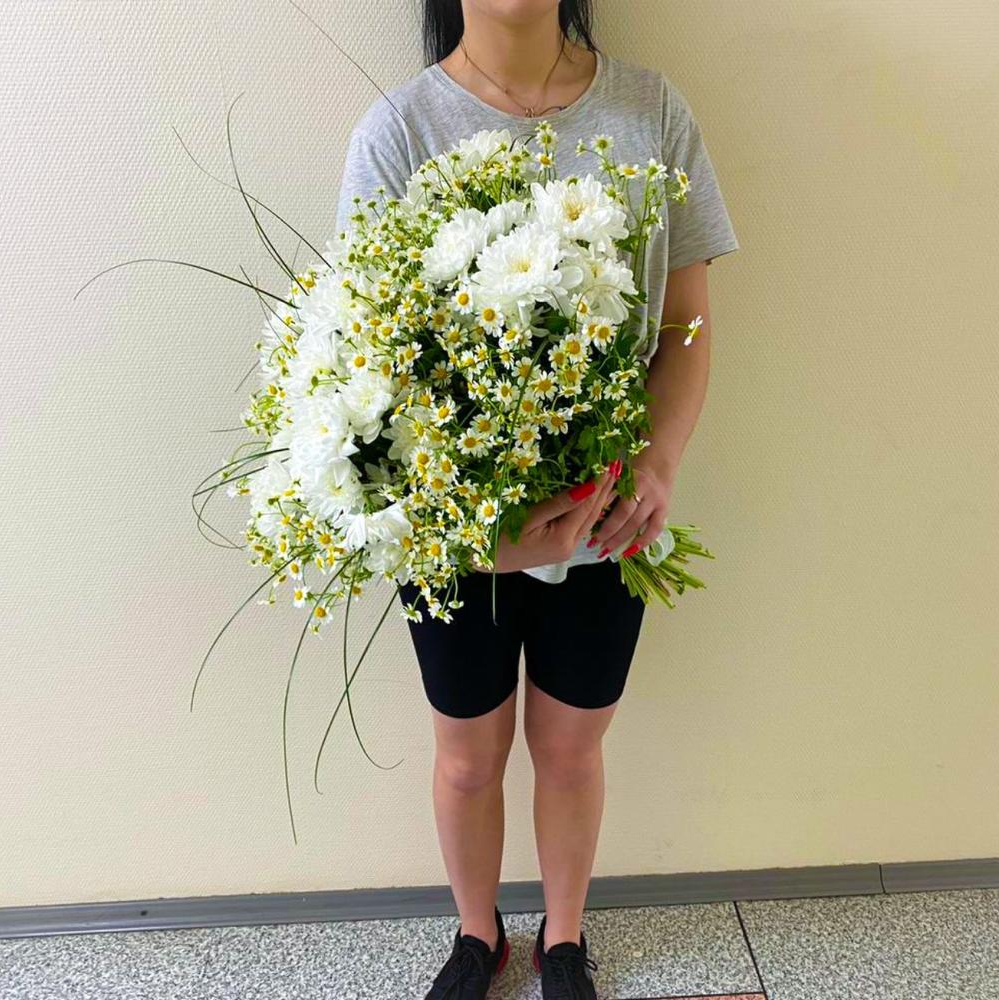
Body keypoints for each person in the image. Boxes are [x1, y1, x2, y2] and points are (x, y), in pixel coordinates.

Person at [333, 2, 740, 996]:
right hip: (451, 533)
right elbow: (363, 360)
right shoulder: (399, 131)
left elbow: (685, 324)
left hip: (610, 517)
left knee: (570, 749)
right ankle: (479, 936)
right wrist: (477, 530)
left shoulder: (650, 111)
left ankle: (563, 938)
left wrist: (656, 464)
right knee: (467, 758)